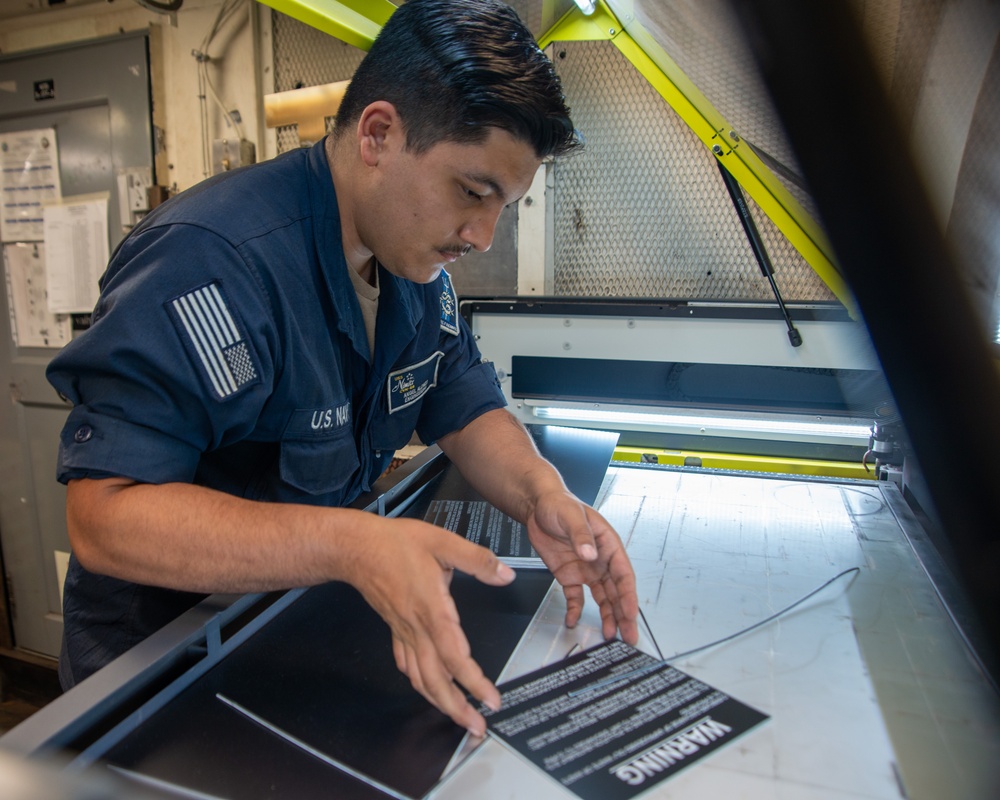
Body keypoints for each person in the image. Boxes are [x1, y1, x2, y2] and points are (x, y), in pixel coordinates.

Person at [46, 0, 638, 737]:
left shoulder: (414, 266)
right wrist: (350, 543)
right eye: (472, 193)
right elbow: (104, 517)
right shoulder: (210, 264)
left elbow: (458, 397)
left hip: (286, 624)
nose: (484, 236)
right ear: (380, 135)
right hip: (162, 668)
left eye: (506, 208)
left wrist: (542, 495)